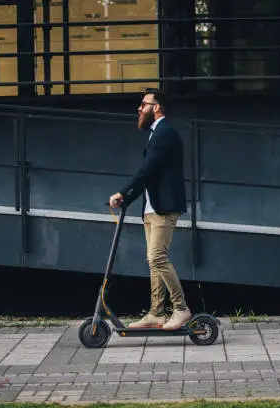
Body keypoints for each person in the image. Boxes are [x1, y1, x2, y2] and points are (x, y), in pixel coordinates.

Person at [109, 88, 191, 331]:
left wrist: (122, 192)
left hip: (164, 208)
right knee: (153, 261)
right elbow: (150, 175)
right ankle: (156, 312)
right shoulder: (157, 133)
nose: (139, 108)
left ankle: (181, 309)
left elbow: (147, 169)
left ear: (156, 107)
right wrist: (129, 198)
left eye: (143, 104)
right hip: (152, 207)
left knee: (157, 257)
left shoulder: (165, 133)